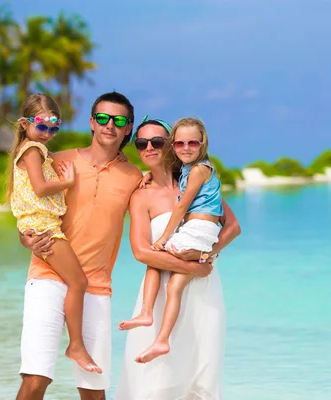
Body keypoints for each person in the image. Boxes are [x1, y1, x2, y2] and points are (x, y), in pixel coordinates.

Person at [15, 92, 215, 400]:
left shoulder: (135, 178)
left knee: (94, 391)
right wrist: (24, 237)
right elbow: (31, 207)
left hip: (96, 287)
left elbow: (199, 211)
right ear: (92, 123)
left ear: (128, 129)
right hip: (47, 276)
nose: (110, 125)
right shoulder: (59, 161)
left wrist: (207, 251)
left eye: (119, 120)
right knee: (36, 380)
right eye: (104, 118)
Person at [115, 116, 240, 399]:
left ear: (169, 145)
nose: (150, 148)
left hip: (204, 297)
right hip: (159, 298)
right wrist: (192, 268)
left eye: (157, 141)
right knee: (154, 384)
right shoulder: (141, 195)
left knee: (201, 381)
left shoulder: (196, 184)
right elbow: (141, 252)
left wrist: (208, 255)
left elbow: (232, 227)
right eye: (142, 143)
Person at [7, 93, 101, 374]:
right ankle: (75, 345)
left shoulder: (32, 149)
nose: (47, 134)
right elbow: (39, 187)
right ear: (25, 123)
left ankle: (73, 343)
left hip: (41, 225)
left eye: (54, 128)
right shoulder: (32, 150)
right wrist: (67, 182)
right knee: (79, 282)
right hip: (45, 228)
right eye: (42, 126)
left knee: (76, 282)